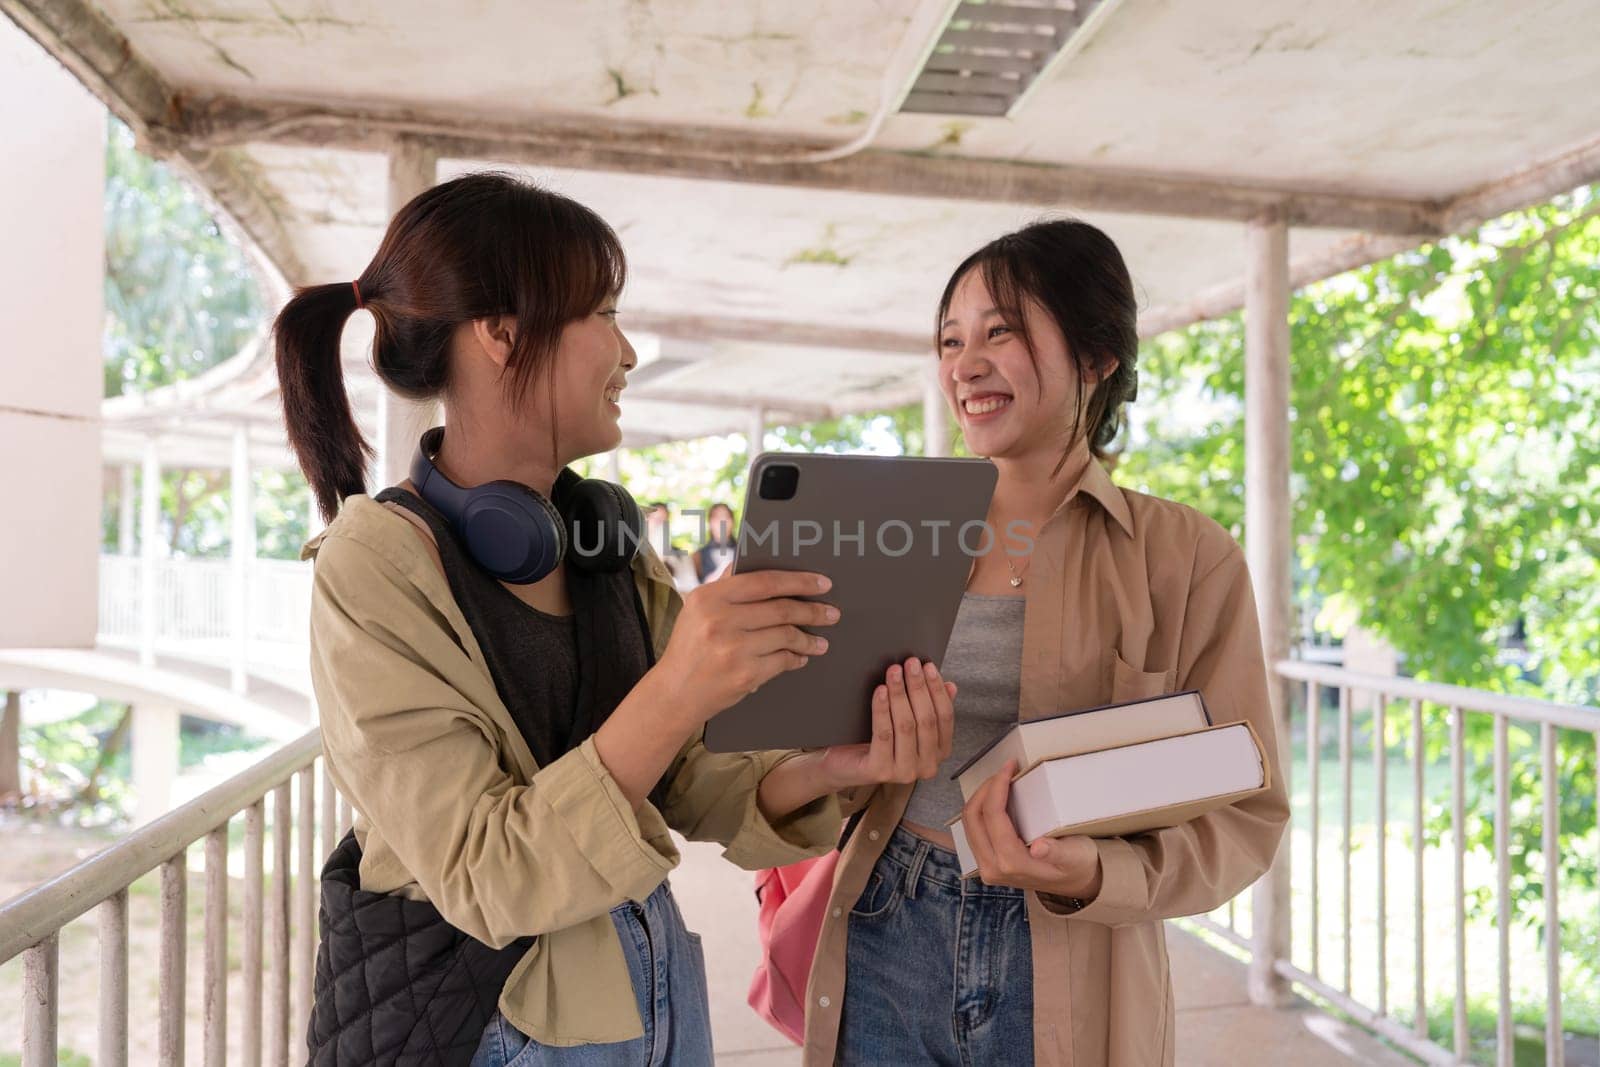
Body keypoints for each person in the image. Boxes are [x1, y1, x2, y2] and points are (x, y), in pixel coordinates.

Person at [274, 173, 956, 1065]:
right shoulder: (375, 562)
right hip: (495, 1025)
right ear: (501, 333)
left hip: (655, 991)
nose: (627, 351)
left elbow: (692, 778)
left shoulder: (599, 534)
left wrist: (834, 764)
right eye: (601, 311)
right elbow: (487, 872)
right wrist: (677, 686)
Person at [802, 220, 1291, 1066]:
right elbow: (799, 755)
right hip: (891, 922)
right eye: (951, 340)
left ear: (1097, 357)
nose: (965, 363)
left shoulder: (1186, 558)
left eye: (1001, 331)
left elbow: (1245, 812)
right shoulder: (885, 533)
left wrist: (1099, 874)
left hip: (1076, 950)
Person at [646, 500, 698, 593]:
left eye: (663, 521)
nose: (659, 525)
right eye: (655, 519)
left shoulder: (682, 557)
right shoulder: (634, 555)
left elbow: (691, 589)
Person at [694, 501, 738, 582]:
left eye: (726, 516)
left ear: (733, 522)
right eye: (717, 517)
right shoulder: (698, 556)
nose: (722, 521)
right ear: (710, 523)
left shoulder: (745, 551)